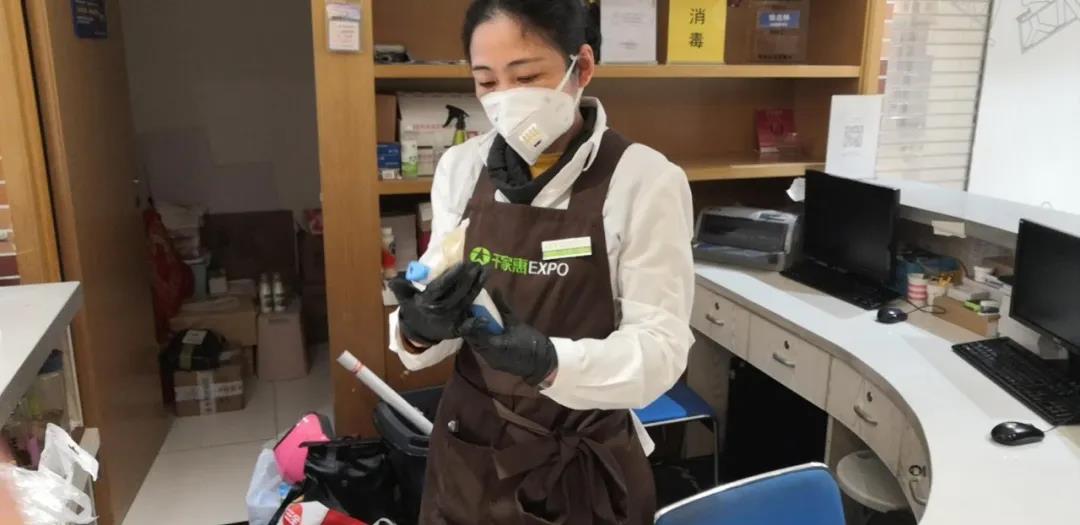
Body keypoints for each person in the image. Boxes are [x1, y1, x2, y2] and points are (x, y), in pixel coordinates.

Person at [387, 0, 695, 522]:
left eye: (526, 76)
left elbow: (660, 351)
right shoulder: (461, 168)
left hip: (580, 460)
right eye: (486, 81)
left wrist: (549, 362)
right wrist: (418, 328)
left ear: (583, 67)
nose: (505, 98)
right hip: (469, 448)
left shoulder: (644, 181)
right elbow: (437, 288)